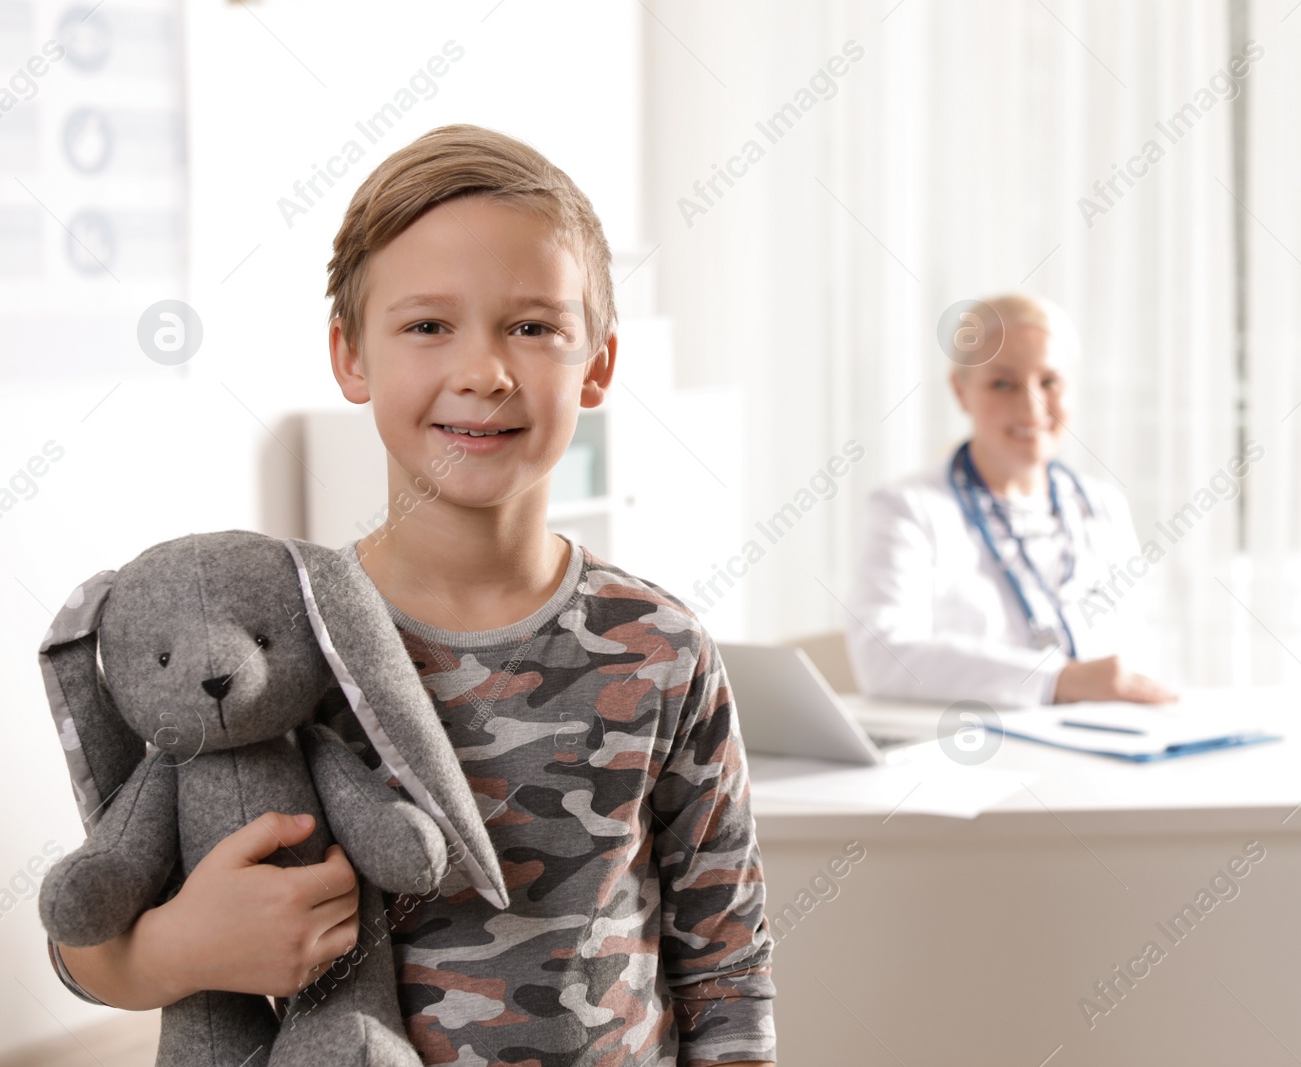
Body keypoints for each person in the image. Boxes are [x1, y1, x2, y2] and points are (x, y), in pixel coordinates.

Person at [46, 125, 775, 1067]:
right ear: (352, 357)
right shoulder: (272, 654)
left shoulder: (662, 648)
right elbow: (85, 937)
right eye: (429, 326)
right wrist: (178, 950)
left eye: (534, 326)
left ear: (596, 362)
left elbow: (725, 964)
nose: (484, 371)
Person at [846, 292, 1175, 708]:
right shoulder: (908, 509)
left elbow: (1138, 653)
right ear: (961, 392)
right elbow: (884, 657)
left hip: (1104, 742)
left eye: (1050, 382)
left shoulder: (1102, 504)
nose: (1031, 406)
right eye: (1003, 383)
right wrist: (1057, 680)